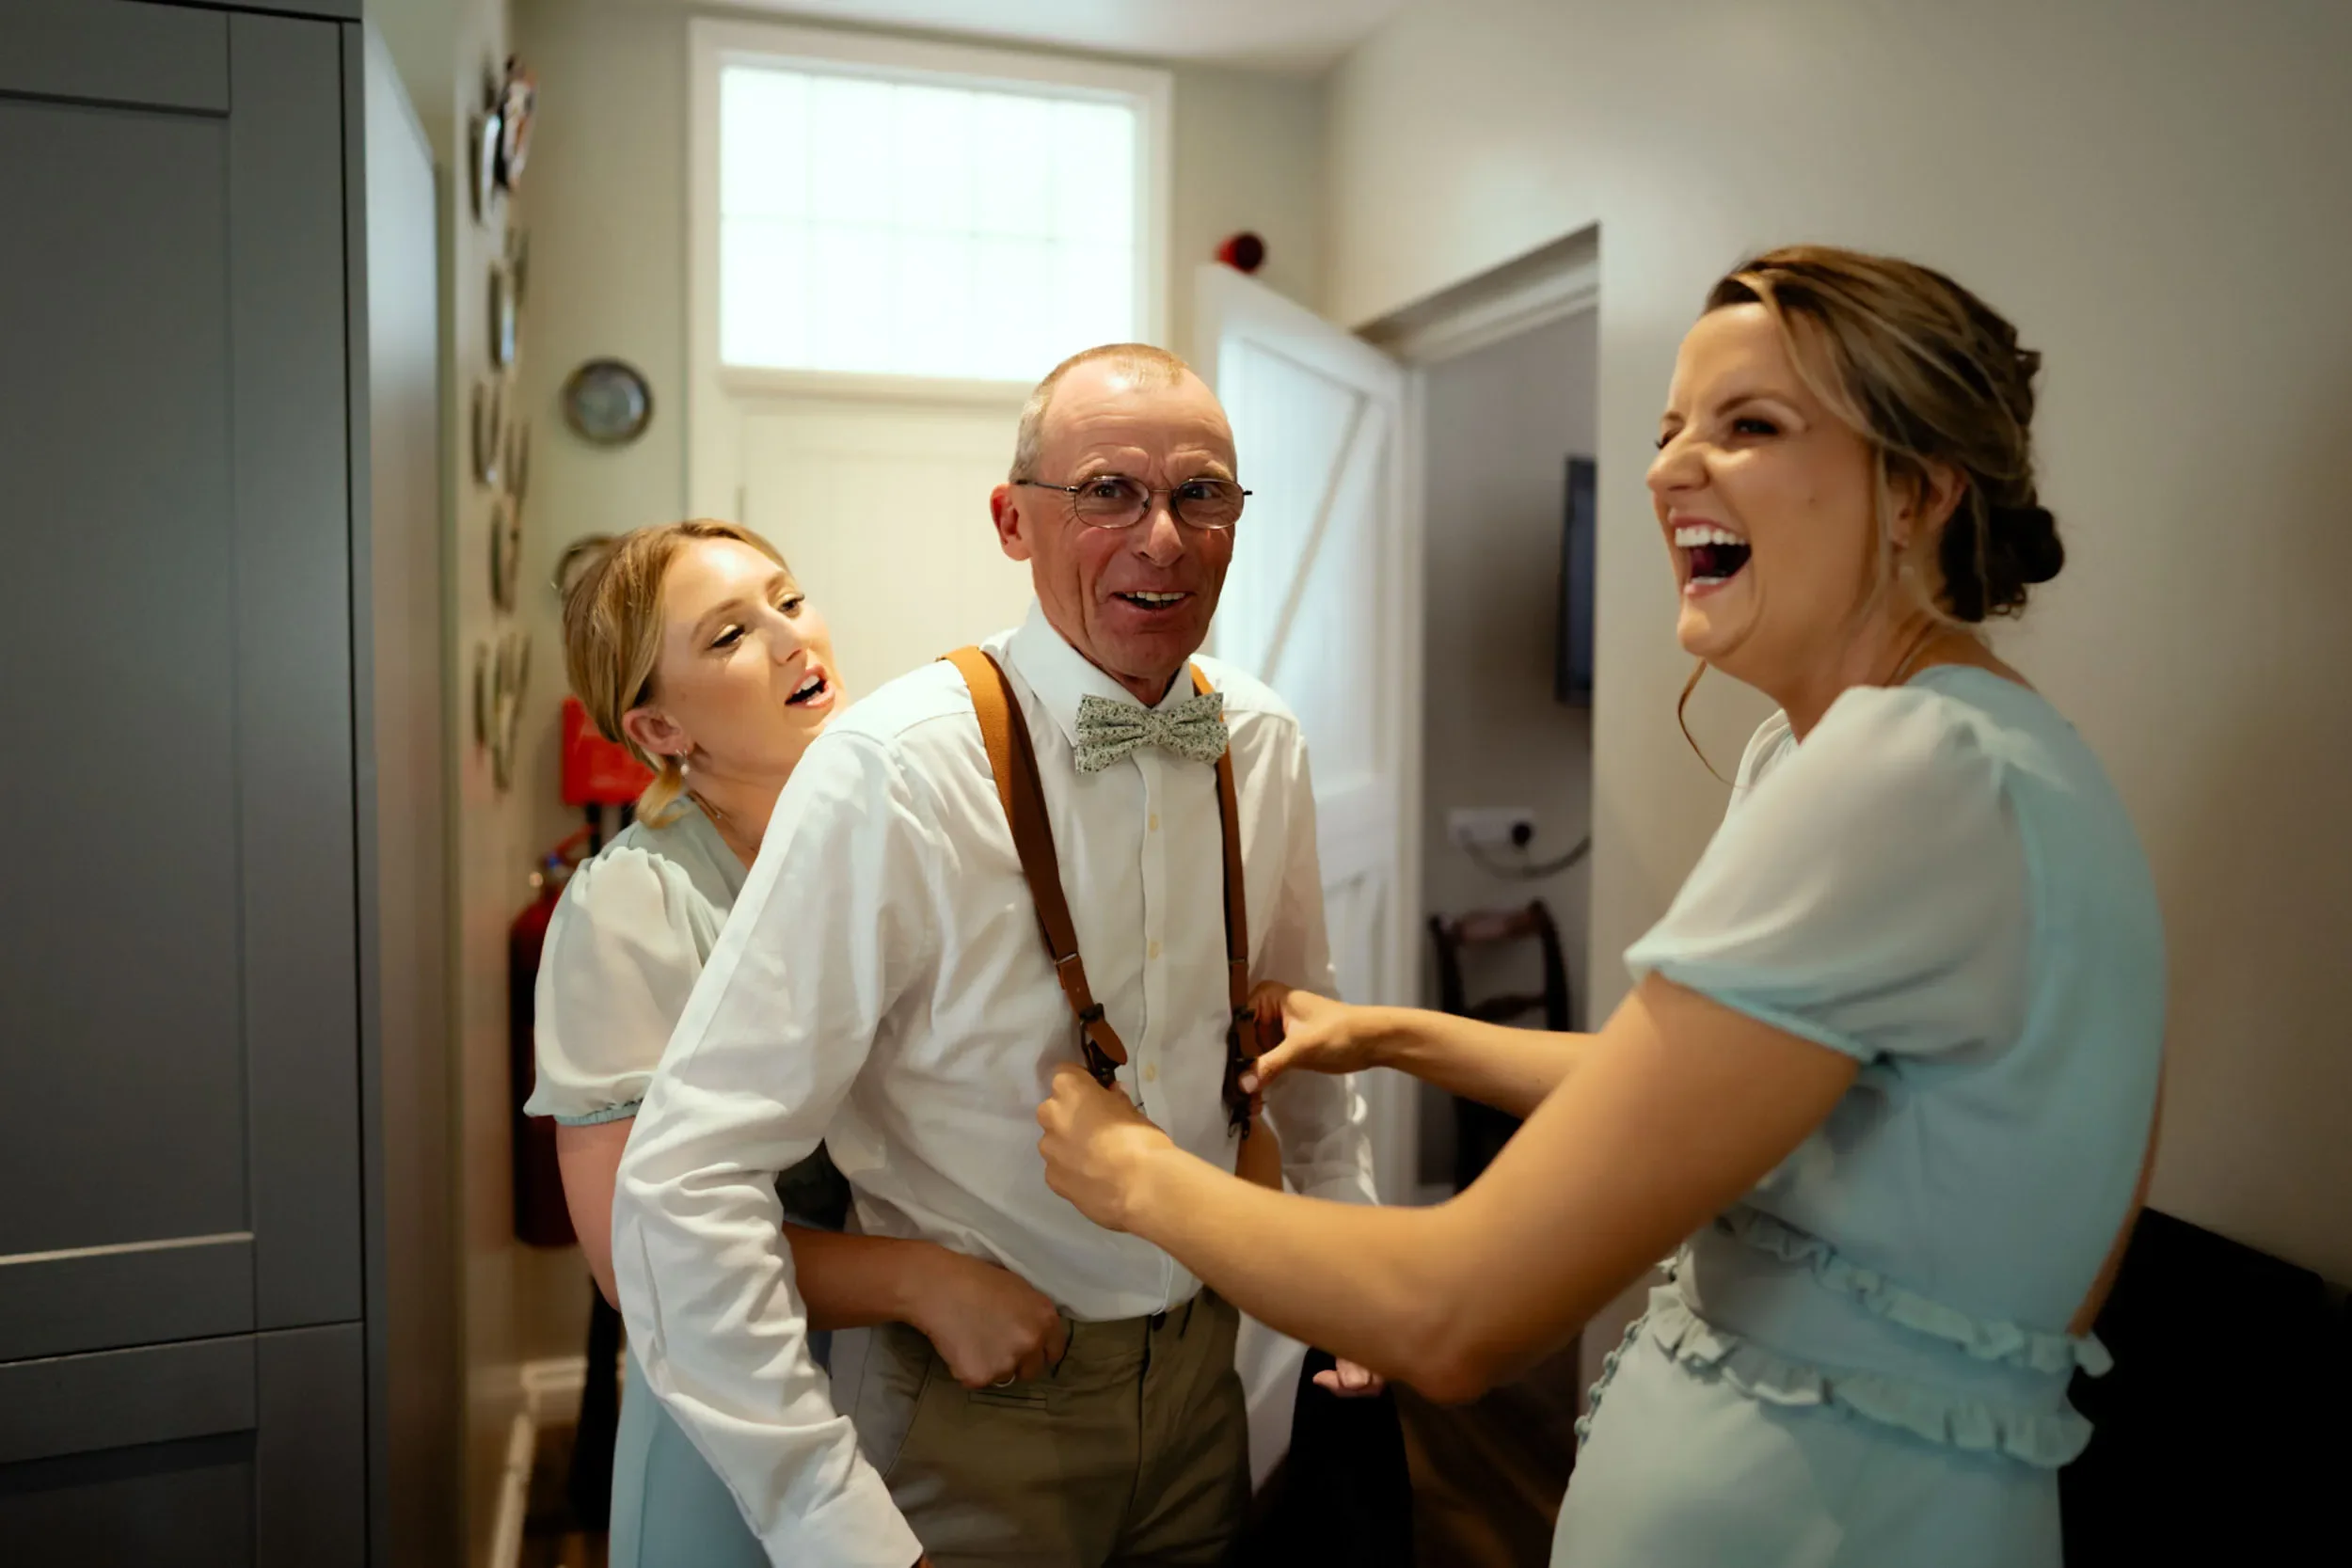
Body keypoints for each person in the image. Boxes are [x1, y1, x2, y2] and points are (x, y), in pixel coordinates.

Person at [1036, 246, 2167, 1568]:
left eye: (1750, 425)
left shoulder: (1908, 773)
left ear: (1917, 489)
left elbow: (1458, 1311)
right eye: (1671, 426)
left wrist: (1137, 1174)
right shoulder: (1853, 748)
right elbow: (1677, 1090)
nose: (1669, 468)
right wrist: (1390, 1032)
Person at [611, 344, 1384, 1568]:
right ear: (1013, 521)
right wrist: (827, 1515)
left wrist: (1352, 1254)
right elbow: (684, 1173)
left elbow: (1305, 1038)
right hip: (965, 1417)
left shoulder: (1263, 743)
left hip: (1207, 1383)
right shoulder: (890, 773)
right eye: (1109, 492)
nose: (1165, 537)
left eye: (1203, 493)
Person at [528, 521, 1066, 1568]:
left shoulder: (897, 834)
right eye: (730, 634)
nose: (790, 637)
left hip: (933, 1396)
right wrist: (919, 1278)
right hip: (745, 1408)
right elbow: (629, 1260)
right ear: (660, 726)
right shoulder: (632, 906)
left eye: (787, 598)